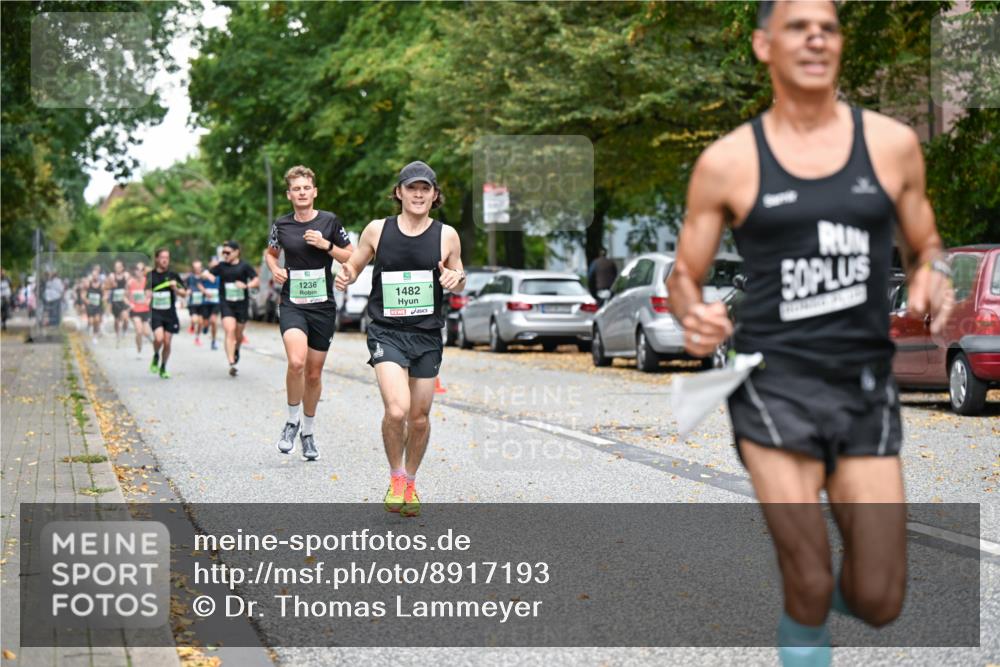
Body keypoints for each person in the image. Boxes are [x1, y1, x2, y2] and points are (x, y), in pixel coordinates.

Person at [666, 2, 955, 666]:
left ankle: (841, 593)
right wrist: (693, 311)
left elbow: (926, 242)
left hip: (862, 384)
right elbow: (686, 273)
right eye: (798, 26)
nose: (816, 36)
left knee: (880, 596)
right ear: (764, 45)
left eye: (828, 25)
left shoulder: (891, 145)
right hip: (773, 385)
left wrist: (932, 274)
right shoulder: (728, 162)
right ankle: (807, 621)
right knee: (809, 577)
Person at [336, 161, 465, 517]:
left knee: (420, 417)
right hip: (386, 332)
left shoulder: (447, 235)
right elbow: (355, 263)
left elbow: (459, 271)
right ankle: (395, 477)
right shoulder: (378, 230)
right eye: (412, 188)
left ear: (435, 195)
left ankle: (410, 480)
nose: (419, 194)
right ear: (399, 192)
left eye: (426, 189)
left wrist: (457, 278)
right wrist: (345, 274)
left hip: (426, 334)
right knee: (397, 409)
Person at [266, 165, 353, 462]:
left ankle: (308, 432)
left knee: (314, 374)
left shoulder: (329, 221)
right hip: (292, 303)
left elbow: (351, 255)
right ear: (289, 194)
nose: (302, 193)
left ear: (314, 192)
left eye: (306, 188)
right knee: (296, 362)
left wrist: (326, 245)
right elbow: (270, 252)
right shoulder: (282, 224)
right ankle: (291, 422)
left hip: (322, 305)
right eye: (296, 189)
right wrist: (275, 269)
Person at [201, 241, 258, 376]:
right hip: (226, 303)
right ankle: (231, 362)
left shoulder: (244, 266)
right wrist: (207, 275)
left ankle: (237, 348)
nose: (225, 255)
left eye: (228, 252)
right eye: (223, 252)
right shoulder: (221, 266)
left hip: (241, 304)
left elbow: (256, 280)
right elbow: (208, 273)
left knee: (238, 334)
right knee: (229, 330)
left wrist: (246, 286)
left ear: (237, 252)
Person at [147, 249, 188, 379]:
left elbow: (184, 293)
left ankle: (163, 367)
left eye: (167, 258)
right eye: (162, 257)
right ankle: (155, 355)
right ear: (157, 259)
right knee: (158, 338)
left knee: (167, 342)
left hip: (170, 313)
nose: (165, 260)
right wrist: (148, 295)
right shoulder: (150, 275)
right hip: (156, 312)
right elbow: (145, 292)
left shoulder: (173, 275)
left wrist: (175, 288)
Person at [127, 263, 151, 358]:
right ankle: (139, 346)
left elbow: (150, 295)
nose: (139, 272)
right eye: (137, 270)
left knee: (147, 332)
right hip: (135, 310)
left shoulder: (147, 282)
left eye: (141, 270)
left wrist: (148, 300)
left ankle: (141, 343)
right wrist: (130, 303)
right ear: (135, 271)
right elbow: (125, 296)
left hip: (145, 310)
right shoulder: (130, 283)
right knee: (139, 330)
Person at [107, 260, 131, 346]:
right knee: (116, 320)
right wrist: (111, 285)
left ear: (122, 267)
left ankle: (124, 331)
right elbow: (106, 287)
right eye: (116, 267)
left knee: (125, 318)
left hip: (124, 300)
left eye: (119, 267)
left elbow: (129, 286)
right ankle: (117, 334)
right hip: (115, 301)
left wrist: (127, 291)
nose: (117, 268)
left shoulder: (126, 275)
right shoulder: (112, 276)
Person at [201, 257, 221, 350]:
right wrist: (205, 291)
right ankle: (205, 326)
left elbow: (215, 281)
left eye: (216, 262)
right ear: (209, 264)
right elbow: (200, 281)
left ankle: (214, 340)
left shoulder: (221, 273)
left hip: (216, 301)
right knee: (205, 322)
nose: (214, 264)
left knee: (213, 321)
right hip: (206, 301)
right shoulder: (205, 272)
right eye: (213, 262)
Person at [186, 260, 206, 346]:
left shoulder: (204, 277)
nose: (197, 269)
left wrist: (204, 290)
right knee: (195, 319)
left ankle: (197, 338)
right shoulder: (190, 277)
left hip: (202, 303)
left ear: (201, 268)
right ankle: (192, 325)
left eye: (199, 267)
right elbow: (185, 287)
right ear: (193, 268)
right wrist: (187, 291)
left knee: (201, 322)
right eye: (195, 268)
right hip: (192, 303)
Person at [84, 265, 105, 343]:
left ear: (98, 276)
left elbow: (105, 294)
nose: (94, 277)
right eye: (93, 276)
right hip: (90, 306)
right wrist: (86, 300)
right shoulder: (88, 284)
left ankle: (95, 335)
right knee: (91, 321)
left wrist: (104, 298)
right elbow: (83, 294)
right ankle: (90, 328)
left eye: (96, 275)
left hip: (98, 306)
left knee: (97, 320)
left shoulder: (101, 285)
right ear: (91, 276)